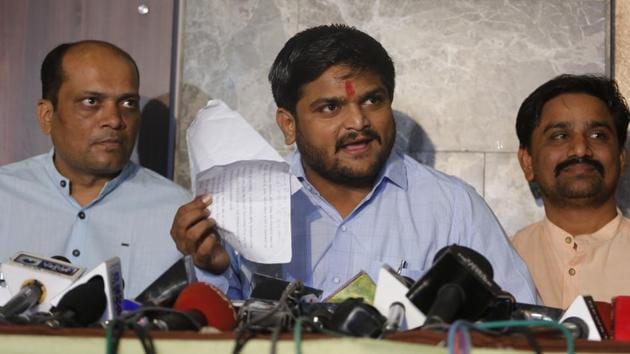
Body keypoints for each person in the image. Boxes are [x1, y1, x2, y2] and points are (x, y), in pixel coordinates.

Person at [172, 24, 537, 302]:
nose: (358, 122)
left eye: (372, 101)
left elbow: (519, 329)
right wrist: (212, 267)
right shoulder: (240, 203)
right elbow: (209, 335)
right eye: (331, 107)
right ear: (288, 124)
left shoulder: (454, 208)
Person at [0, 40, 212, 298]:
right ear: (47, 116)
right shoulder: (5, 195)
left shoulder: (178, 212)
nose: (114, 120)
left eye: (127, 103)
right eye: (91, 101)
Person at [513, 74, 630, 309]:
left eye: (598, 135)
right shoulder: (506, 259)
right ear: (527, 162)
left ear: (620, 158)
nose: (580, 149)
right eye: (559, 136)